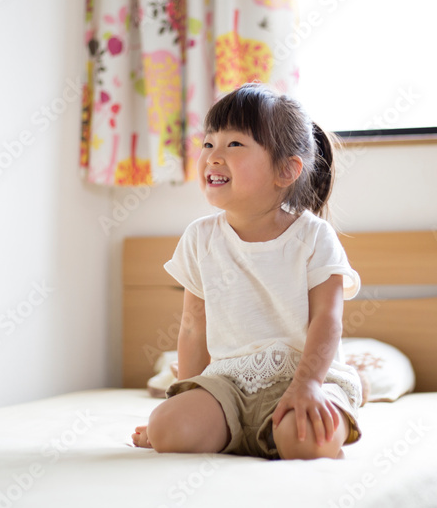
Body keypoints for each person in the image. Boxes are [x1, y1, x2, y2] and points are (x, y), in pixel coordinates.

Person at [131, 82, 363, 460]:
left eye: (234, 144)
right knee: (168, 429)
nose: (213, 156)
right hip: (228, 385)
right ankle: (235, 431)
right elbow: (192, 327)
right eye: (208, 143)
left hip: (306, 377)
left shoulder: (313, 237)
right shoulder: (200, 238)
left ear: (285, 170)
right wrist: (186, 395)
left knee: (306, 442)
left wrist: (307, 385)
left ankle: (301, 419)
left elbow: (328, 319)